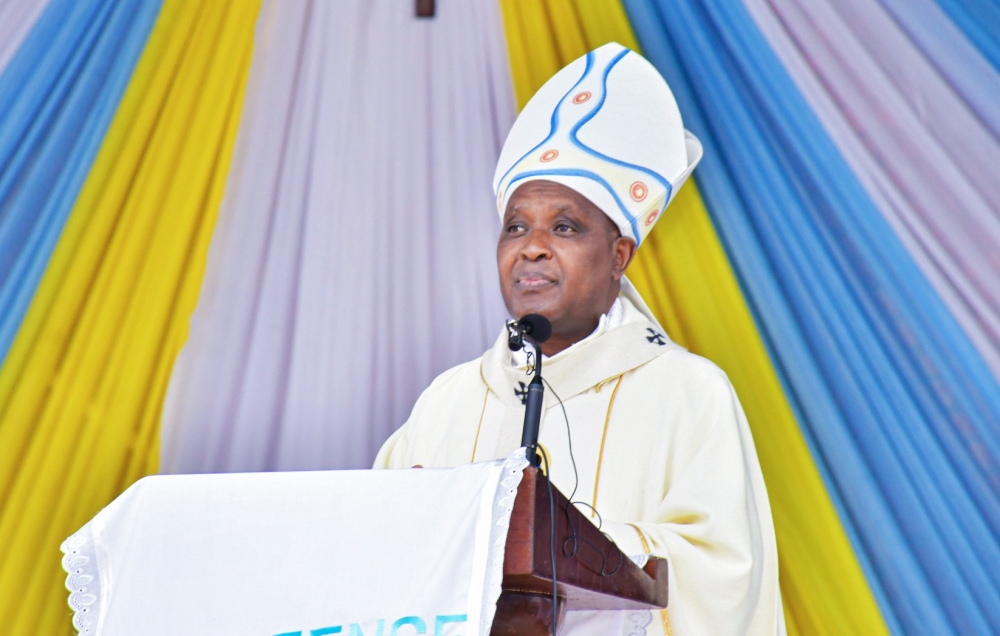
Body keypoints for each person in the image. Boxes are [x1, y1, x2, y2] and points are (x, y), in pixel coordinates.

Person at [374, 43, 784, 636]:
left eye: (563, 227)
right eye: (516, 226)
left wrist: (557, 546)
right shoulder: (448, 400)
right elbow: (373, 555)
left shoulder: (689, 392)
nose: (532, 247)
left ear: (619, 256)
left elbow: (725, 577)